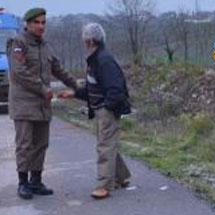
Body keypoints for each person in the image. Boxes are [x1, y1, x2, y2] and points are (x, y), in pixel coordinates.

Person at [8, 8, 78, 200]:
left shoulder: (45, 46)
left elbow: (58, 69)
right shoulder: (18, 44)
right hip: (24, 104)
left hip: (42, 104)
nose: (41, 26)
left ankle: (36, 181)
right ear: (27, 24)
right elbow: (19, 72)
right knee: (24, 145)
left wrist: (77, 87)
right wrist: (42, 88)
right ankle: (23, 183)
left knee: (41, 143)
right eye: (36, 22)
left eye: (43, 22)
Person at [59, 22, 132, 199]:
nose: (83, 42)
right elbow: (93, 89)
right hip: (101, 109)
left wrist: (107, 108)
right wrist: (74, 93)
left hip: (107, 110)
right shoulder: (96, 59)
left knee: (105, 146)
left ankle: (104, 185)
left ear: (90, 41)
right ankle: (121, 177)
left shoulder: (103, 60)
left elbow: (116, 89)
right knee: (108, 144)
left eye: (84, 39)